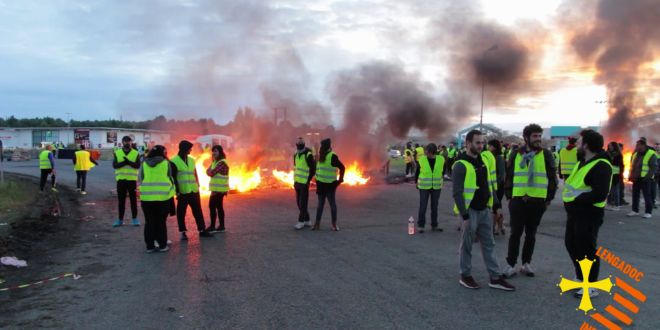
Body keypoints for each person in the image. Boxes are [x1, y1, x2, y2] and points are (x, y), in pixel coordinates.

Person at [453, 130, 514, 291]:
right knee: (466, 245)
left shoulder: (483, 162)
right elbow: (457, 192)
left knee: (489, 244)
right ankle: (465, 275)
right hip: (469, 211)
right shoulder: (461, 165)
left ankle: (495, 277)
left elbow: (490, 185)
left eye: (482, 143)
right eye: (478, 143)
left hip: (485, 210)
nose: (481, 146)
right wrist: (464, 215)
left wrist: (497, 206)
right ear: (468, 144)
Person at [502, 124, 558, 279]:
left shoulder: (546, 154)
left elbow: (553, 179)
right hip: (518, 201)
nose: (538, 139)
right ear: (526, 138)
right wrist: (508, 197)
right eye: (535, 136)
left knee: (531, 234)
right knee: (515, 234)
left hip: (537, 202)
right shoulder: (515, 154)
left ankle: (526, 263)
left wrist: (548, 199)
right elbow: (509, 177)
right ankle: (510, 264)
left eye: (539, 136)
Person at [563, 129, 612, 298]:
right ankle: (580, 277)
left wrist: (577, 201)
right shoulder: (583, 162)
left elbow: (599, 193)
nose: (576, 144)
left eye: (579, 141)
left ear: (586, 145)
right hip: (575, 214)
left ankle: (591, 285)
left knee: (587, 250)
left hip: (589, 214)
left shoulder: (602, 165)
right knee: (572, 245)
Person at [171, 140, 214, 240]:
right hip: (183, 191)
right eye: (189, 148)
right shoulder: (174, 161)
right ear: (184, 149)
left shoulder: (191, 160)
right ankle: (183, 232)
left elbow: (195, 174)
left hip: (193, 190)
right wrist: (177, 191)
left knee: (198, 211)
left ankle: (202, 230)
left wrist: (198, 186)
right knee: (182, 213)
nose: (190, 150)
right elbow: (173, 178)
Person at [139, 145, 175, 253]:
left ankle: (150, 247)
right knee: (161, 221)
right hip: (162, 197)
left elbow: (142, 177)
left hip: (146, 197)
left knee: (149, 221)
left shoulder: (144, 163)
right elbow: (169, 175)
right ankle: (162, 245)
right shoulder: (165, 162)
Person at [313, 138, 345, 231]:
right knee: (320, 205)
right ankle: (317, 223)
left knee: (332, 205)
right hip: (321, 185)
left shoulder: (333, 156)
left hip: (330, 185)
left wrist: (340, 180)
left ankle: (334, 224)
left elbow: (342, 167)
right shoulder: (320, 156)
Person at [415, 143, 445, 232]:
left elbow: (443, 170)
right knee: (423, 206)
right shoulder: (422, 160)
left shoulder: (441, 159)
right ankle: (421, 225)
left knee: (434, 206)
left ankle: (434, 225)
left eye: (427, 151)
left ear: (432, 152)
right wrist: (416, 182)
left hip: (436, 186)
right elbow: (417, 172)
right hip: (424, 186)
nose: (425, 152)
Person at [112, 136, 141, 227]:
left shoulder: (135, 153)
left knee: (133, 200)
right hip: (121, 180)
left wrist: (129, 162)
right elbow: (114, 165)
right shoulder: (117, 153)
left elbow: (137, 165)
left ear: (131, 143)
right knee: (121, 201)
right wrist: (124, 163)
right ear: (122, 142)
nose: (127, 143)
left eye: (129, 141)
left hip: (132, 180)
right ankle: (120, 219)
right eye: (125, 141)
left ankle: (135, 219)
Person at [627, 139, 658, 218]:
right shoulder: (635, 154)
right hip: (636, 178)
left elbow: (654, 167)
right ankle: (635, 210)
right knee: (635, 195)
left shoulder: (651, 154)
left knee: (647, 195)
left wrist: (648, 177)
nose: (636, 146)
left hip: (645, 179)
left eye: (638, 145)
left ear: (643, 145)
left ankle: (648, 212)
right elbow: (632, 166)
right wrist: (631, 176)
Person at [292, 137, 316, 230]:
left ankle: (301, 221)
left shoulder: (308, 155)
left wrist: (308, 181)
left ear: (304, 144)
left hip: (304, 183)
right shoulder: (295, 153)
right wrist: (294, 181)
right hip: (297, 182)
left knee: (303, 203)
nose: (299, 145)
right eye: (298, 143)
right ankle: (307, 220)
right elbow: (296, 167)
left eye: (301, 143)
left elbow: (313, 170)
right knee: (299, 202)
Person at [206, 145, 230, 233]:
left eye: (215, 151)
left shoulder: (222, 162)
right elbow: (207, 170)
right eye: (213, 151)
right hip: (216, 189)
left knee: (212, 206)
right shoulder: (215, 162)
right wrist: (209, 172)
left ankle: (213, 227)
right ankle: (221, 226)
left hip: (219, 189)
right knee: (219, 207)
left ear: (220, 152)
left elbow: (211, 172)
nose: (213, 153)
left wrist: (209, 172)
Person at [488, 139, 506, 235]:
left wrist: (495, 185)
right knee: (494, 206)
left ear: (494, 147)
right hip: (491, 185)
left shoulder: (499, 158)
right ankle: (499, 225)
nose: (488, 148)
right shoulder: (489, 157)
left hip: (498, 186)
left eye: (490, 146)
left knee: (497, 206)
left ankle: (499, 226)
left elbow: (501, 173)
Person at [605, 142, 624, 211]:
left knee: (616, 190)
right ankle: (609, 203)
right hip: (608, 174)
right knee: (609, 190)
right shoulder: (607, 154)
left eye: (611, 145)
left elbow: (621, 166)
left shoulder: (618, 155)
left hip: (616, 174)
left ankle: (616, 205)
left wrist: (620, 175)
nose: (610, 147)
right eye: (609, 145)